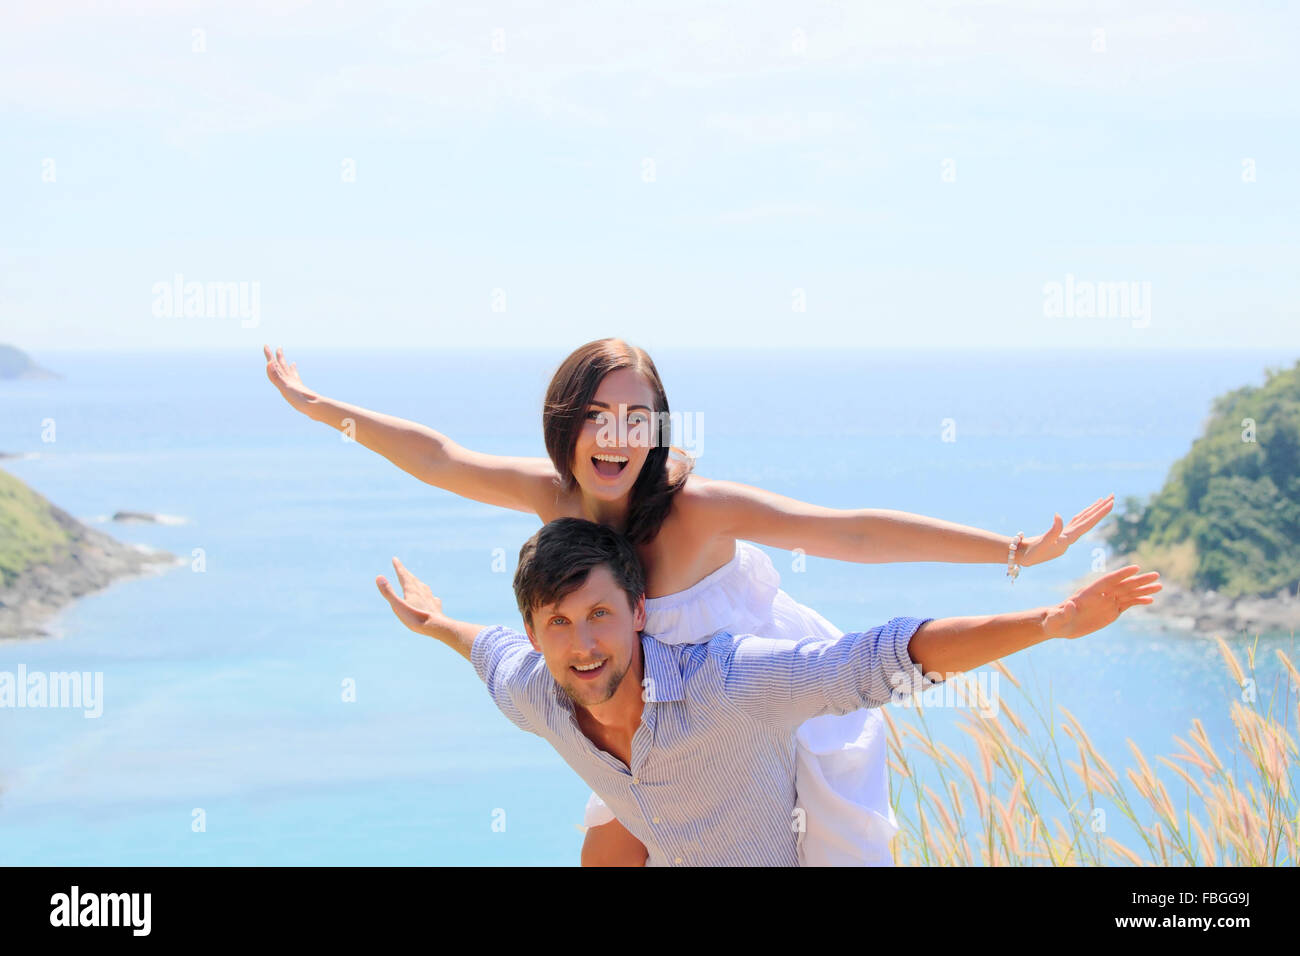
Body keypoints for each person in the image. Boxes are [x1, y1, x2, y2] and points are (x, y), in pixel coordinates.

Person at [264, 339, 1116, 865]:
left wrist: (1012, 552)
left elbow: (850, 532)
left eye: (636, 418)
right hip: (645, 725)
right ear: (565, 423)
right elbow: (440, 458)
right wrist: (317, 407)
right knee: (607, 852)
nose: (616, 435)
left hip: (771, 703)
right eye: (596, 415)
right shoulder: (553, 499)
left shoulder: (694, 509)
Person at [375, 517, 1160, 866]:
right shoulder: (535, 692)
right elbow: (486, 647)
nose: (583, 644)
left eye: (600, 616)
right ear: (536, 631)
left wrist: (1048, 622)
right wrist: (434, 621)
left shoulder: (725, 681)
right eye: (559, 623)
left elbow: (876, 657)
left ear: (639, 612)